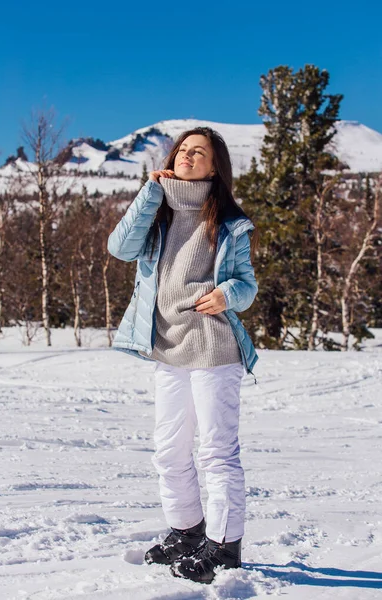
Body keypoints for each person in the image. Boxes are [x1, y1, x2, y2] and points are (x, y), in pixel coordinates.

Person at [107, 126, 259, 584]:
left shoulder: (230, 222)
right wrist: (150, 193)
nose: (188, 157)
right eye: (183, 150)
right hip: (168, 347)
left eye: (200, 153)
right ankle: (187, 531)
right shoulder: (157, 212)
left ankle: (225, 546)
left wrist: (227, 293)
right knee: (169, 451)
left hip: (214, 347)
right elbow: (120, 248)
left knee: (216, 452)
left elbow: (247, 285)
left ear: (215, 167)